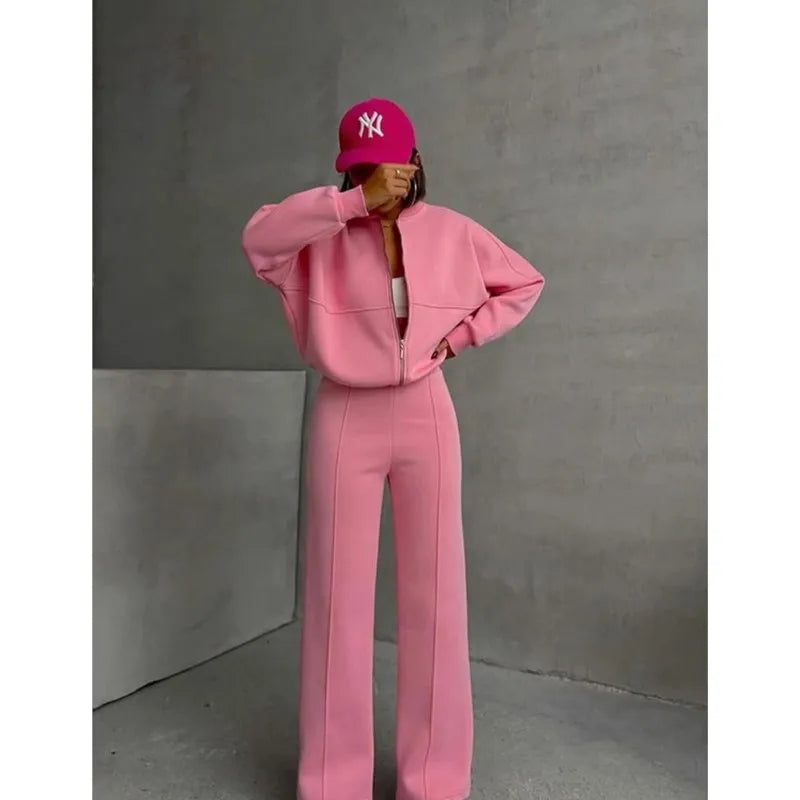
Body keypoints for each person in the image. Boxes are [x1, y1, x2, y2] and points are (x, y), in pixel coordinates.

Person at [241, 97, 545, 800]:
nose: (374, 180)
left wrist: (458, 338)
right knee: (335, 602)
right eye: (360, 169)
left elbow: (524, 281)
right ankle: (332, 783)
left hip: (425, 414)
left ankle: (433, 782)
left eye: (385, 168)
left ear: (413, 164)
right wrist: (349, 205)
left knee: (436, 600)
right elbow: (258, 241)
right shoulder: (321, 234)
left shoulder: (452, 232)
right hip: (343, 412)